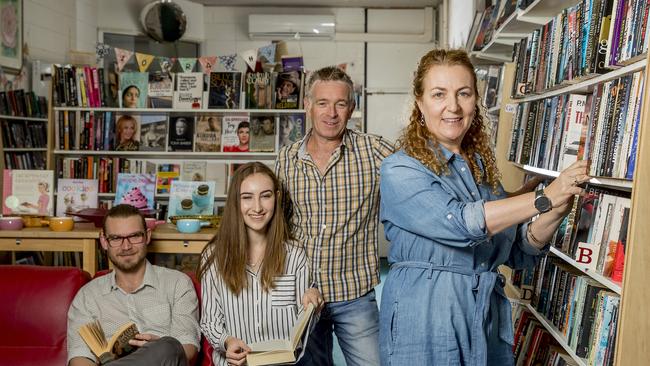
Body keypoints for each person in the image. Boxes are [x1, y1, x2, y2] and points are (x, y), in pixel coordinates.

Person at [377, 49, 589, 365]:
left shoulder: (480, 168)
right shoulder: (400, 168)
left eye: (464, 93)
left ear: (476, 101)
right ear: (420, 104)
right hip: (427, 320)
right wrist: (542, 199)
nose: (453, 106)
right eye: (439, 94)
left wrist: (556, 209)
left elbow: (518, 247)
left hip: (484, 319)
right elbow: (463, 224)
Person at [275, 66, 394, 366]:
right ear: (308, 105)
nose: (331, 113)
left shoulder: (375, 150)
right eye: (323, 103)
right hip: (301, 295)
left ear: (351, 108)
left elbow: (421, 172)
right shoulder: (286, 159)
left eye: (340, 104)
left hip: (353, 293)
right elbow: (277, 226)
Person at [197, 162, 322, 366]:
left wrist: (312, 306)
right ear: (235, 202)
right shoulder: (214, 256)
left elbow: (303, 327)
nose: (257, 207)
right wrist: (227, 341)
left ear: (277, 197)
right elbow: (210, 321)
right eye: (247, 197)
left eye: (266, 196)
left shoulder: (295, 255)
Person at [67, 204, 201, 366]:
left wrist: (157, 349)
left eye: (134, 236)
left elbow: (188, 348)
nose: (126, 246)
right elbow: (79, 355)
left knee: (169, 346)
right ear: (104, 241)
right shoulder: (88, 296)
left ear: (147, 236)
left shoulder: (177, 283)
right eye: (116, 238)